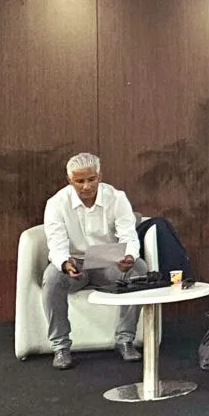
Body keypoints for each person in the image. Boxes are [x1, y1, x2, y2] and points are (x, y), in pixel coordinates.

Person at [42, 152, 146, 370]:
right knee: (52, 277)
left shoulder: (116, 198)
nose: (87, 186)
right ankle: (60, 347)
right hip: (75, 265)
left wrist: (129, 257)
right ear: (70, 180)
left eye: (91, 179)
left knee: (138, 269)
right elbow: (56, 244)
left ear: (100, 176)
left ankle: (125, 340)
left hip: (109, 264)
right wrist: (65, 264)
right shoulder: (56, 203)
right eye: (80, 181)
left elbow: (129, 237)